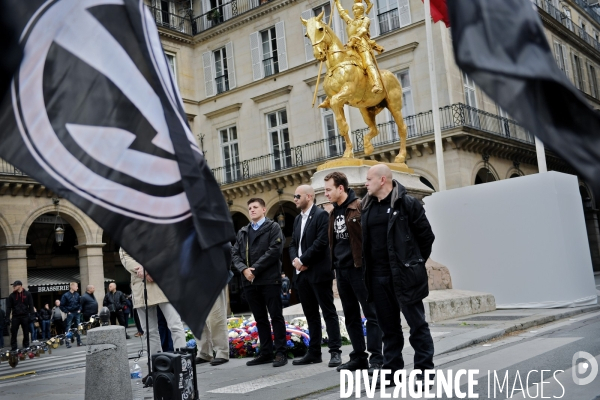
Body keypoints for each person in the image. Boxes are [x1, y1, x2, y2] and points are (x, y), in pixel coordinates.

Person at [362, 164, 435, 387]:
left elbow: (426, 238)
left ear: (382, 179)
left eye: (369, 179)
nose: (365, 183)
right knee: (389, 329)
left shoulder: (407, 203)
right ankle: (392, 373)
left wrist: (412, 263)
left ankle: (424, 371)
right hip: (377, 278)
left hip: (404, 277)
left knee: (417, 325)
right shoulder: (366, 206)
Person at [324, 171, 383, 374]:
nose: (326, 194)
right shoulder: (333, 212)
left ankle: (377, 359)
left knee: (371, 315)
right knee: (350, 316)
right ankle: (359, 357)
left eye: (328, 189)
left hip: (360, 269)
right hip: (342, 271)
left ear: (341, 188)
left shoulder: (359, 206)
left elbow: (370, 238)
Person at [289, 185, 342, 367]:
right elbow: (292, 244)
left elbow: (322, 241)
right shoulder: (297, 220)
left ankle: (335, 352)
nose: (295, 198)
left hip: (318, 272)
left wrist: (303, 260)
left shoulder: (321, 215)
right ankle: (314, 352)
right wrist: (296, 261)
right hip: (301, 275)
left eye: (298, 195)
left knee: (328, 312)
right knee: (310, 315)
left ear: (309, 196)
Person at [231, 198, 287, 367]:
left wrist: (253, 269)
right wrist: (243, 269)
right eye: (249, 208)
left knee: (276, 316)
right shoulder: (243, 232)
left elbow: (274, 251)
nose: (252, 210)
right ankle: (266, 352)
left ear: (264, 209)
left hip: (269, 280)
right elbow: (234, 255)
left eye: (255, 207)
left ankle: (281, 352)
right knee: (260, 318)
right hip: (250, 282)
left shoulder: (273, 227)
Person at [120, 248, 187, 374]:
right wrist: (142, 270)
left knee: (175, 325)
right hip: (141, 284)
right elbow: (125, 256)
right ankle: (158, 367)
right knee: (150, 332)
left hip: (162, 282)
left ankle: (182, 363)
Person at [196, 285, 229, 366]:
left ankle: (222, 352)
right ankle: (204, 352)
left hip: (212, 276)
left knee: (215, 316)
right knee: (197, 316)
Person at [6, 280, 33, 350]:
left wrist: (32, 315)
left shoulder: (27, 294)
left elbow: (31, 305)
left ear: (20, 286)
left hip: (25, 316)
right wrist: (7, 318)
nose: (13, 287)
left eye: (15, 285)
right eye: (13, 285)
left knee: (26, 332)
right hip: (15, 316)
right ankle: (14, 347)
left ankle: (26, 345)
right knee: (14, 332)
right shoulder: (11, 296)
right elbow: (8, 307)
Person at [60, 282, 83, 348]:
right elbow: (62, 305)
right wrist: (67, 311)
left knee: (77, 327)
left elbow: (80, 303)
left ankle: (79, 342)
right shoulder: (66, 295)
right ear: (72, 286)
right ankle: (68, 343)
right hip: (70, 312)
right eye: (76, 286)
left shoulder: (77, 294)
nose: (77, 288)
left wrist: (79, 310)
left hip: (76, 312)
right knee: (68, 328)